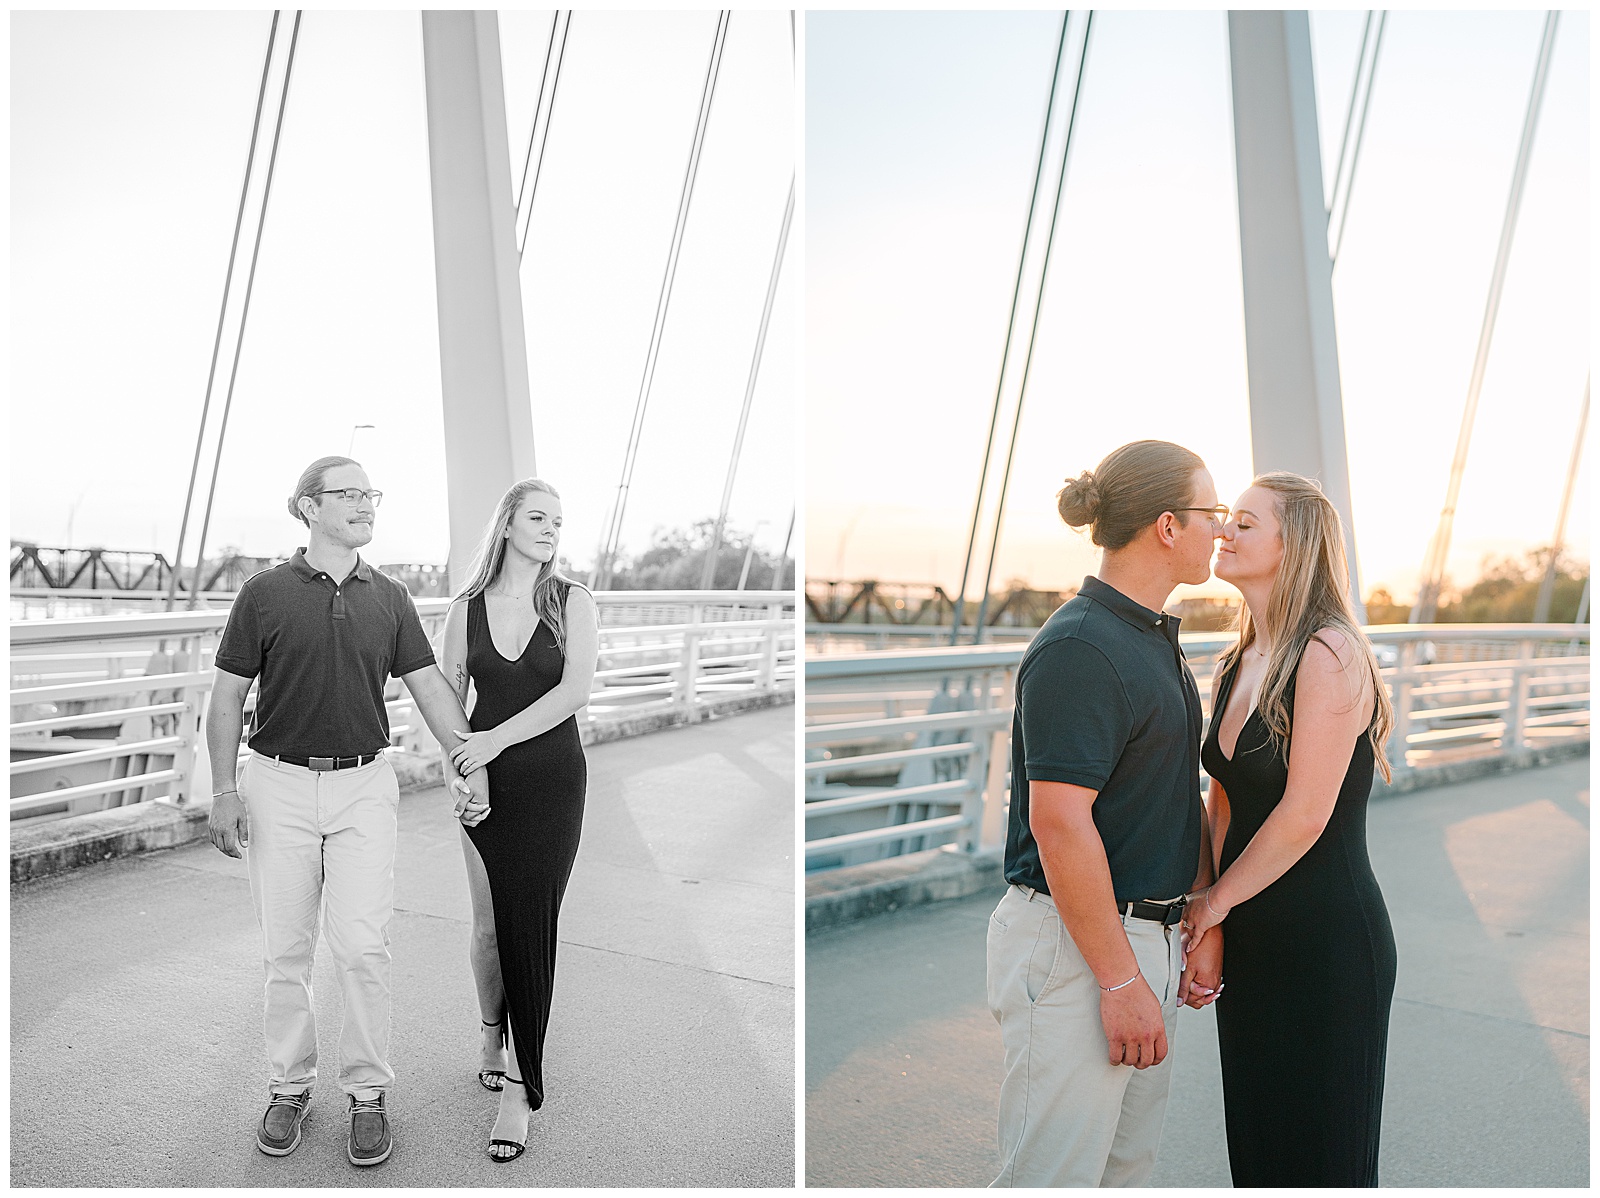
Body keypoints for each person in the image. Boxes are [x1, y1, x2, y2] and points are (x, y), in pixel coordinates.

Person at [206, 456, 489, 1167]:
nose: (366, 505)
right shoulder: (263, 593)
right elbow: (226, 697)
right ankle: (289, 1086)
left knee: (363, 948)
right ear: (308, 506)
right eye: (350, 494)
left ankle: (368, 1091)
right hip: (277, 783)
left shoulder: (390, 597)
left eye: (371, 494)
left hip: (365, 785)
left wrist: (472, 761)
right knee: (285, 950)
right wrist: (223, 791)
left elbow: (430, 688)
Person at [987, 439, 1226, 1188]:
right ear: (1167, 525)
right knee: (1051, 1179)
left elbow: (1173, 794)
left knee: (1123, 1174)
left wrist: (1201, 917)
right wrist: (1120, 982)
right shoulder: (1082, 647)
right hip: (1080, 948)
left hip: (1143, 940)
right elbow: (1059, 824)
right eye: (1212, 512)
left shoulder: (1151, 639)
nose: (1220, 528)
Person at [1182, 471, 1397, 1187]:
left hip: (1326, 944)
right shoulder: (1238, 660)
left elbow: (1305, 815)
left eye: (1245, 523)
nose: (1224, 530)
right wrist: (1213, 920)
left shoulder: (1329, 652)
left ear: (1294, 543)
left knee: (1323, 1162)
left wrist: (1214, 905)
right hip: (1251, 935)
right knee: (1260, 1151)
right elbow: (1222, 802)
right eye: (1226, 517)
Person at [437, 478, 599, 1163]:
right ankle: (490, 1037)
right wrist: (460, 770)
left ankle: (520, 1087)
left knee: (530, 929)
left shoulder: (572, 601)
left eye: (557, 520)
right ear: (506, 525)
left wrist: (491, 742)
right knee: (488, 929)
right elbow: (448, 703)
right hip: (484, 785)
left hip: (552, 781)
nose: (551, 529)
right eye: (537, 517)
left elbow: (574, 691)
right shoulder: (464, 610)